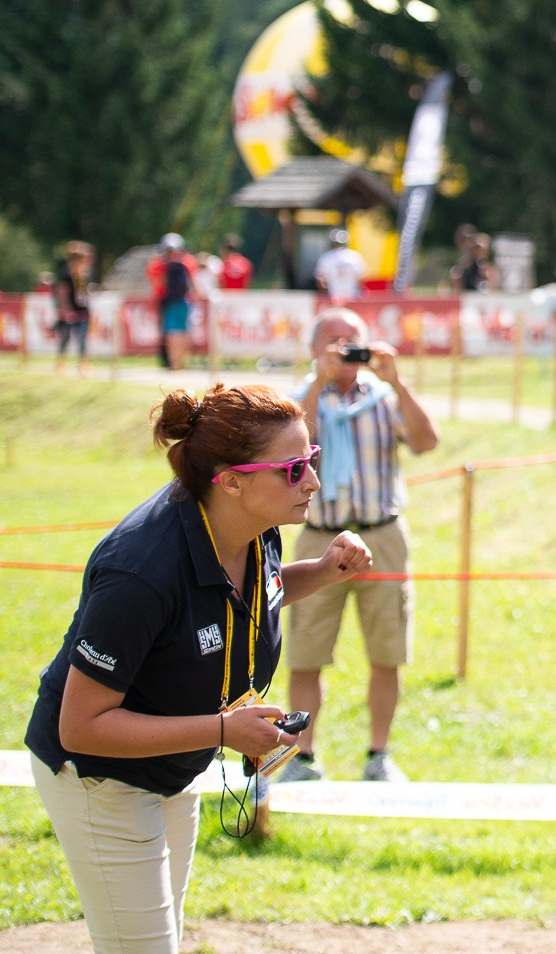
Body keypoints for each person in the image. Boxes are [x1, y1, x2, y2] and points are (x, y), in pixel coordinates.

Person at [24, 384, 371, 952]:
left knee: (162, 939)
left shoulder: (253, 526)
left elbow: (261, 593)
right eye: (291, 469)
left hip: (173, 763)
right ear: (230, 480)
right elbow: (80, 726)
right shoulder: (139, 572)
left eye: (310, 460)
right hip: (97, 776)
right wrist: (222, 730)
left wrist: (326, 570)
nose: (311, 481)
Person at [281, 309, 439, 782]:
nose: (344, 348)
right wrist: (318, 383)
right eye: (333, 340)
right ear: (314, 350)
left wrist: (398, 380)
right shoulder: (297, 400)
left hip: (381, 535)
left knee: (387, 650)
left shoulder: (385, 398)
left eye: (354, 340)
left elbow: (427, 441)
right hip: (320, 538)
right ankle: (302, 758)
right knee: (306, 652)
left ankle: (379, 755)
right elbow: (290, 446)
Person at [154, 233, 200, 370]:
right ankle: (181, 363)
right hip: (185, 301)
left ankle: (174, 363)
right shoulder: (188, 262)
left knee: (171, 332)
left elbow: (158, 284)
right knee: (183, 332)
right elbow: (193, 283)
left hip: (169, 302)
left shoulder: (160, 264)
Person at [52, 241, 93, 376]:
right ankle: (60, 364)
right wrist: (66, 310)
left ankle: (83, 365)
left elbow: (83, 292)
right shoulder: (66, 273)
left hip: (82, 310)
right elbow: (62, 292)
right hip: (69, 312)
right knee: (65, 338)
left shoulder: (85, 273)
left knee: (82, 339)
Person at [314, 227, 366, 305]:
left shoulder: (326, 257)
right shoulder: (355, 256)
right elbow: (362, 277)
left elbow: (320, 280)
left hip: (333, 297)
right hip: (353, 296)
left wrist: (326, 291)